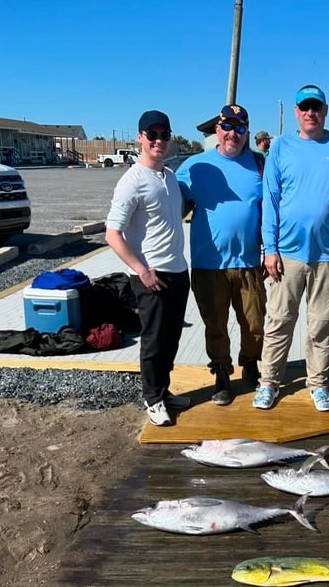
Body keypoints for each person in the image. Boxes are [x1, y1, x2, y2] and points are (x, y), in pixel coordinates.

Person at [253, 84, 329, 413]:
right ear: (297, 111)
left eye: (316, 107)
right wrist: (269, 249)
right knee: (278, 321)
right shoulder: (281, 147)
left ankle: (318, 383)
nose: (310, 112)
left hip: (328, 255)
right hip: (286, 255)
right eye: (304, 107)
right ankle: (269, 382)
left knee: (321, 325)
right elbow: (269, 201)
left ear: (326, 111)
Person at [175, 104, 266, 406]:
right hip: (208, 263)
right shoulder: (195, 167)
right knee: (215, 324)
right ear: (217, 130)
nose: (233, 134)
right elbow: (173, 208)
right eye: (227, 127)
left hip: (250, 262)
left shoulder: (259, 164)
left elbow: (271, 210)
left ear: (247, 133)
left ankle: (250, 364)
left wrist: (271, 249)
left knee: (253, 323)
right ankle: (222, 373)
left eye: (240, 128)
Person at [105, 110, 190, 427]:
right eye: (151, 135)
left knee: (171, 339)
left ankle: (163, 390)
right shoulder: (132, 181)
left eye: (164, 135)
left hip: (179, 272)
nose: (159, 141)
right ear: (140, 138)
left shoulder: (169, 176)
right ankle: (152, 398)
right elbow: (112, 234)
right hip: (151, 276)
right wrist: (141, 270)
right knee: (154, 341)